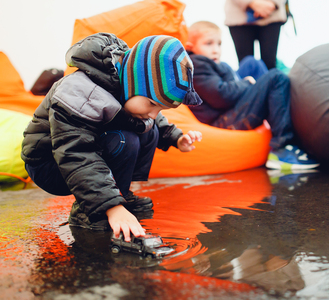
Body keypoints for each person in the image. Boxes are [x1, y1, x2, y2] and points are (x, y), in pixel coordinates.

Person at [21, 33, 203, 242]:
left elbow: (155, 118)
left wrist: (177, 138)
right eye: (153, 104)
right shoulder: (82, 91)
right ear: (133, 83)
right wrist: (111, 207)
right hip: (51, 163)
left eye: (160, 107)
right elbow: (76, 151)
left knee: (148, 127)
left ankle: (119, 195)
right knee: (126, 138)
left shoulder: (127, 83)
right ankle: (88, 211)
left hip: (79, 154)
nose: (155, 112)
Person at [185, 21, 319, 171]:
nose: (216, 50)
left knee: (251, 62)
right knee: (276, 78)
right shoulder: (196, 64)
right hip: (223, 121)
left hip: (228, 112)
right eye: (208, 44)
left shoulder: (214, 64)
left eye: (219, 44)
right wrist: (246, 83)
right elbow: (221, 96)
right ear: (191, 47)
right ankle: (281, 148)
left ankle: (276, 112)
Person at [224, 0, 287, 70]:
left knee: (270, 64)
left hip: (272, 14)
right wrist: (251, 3)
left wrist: (272, 3)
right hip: (238, 15)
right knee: (246, 66)